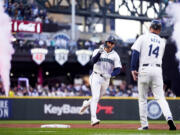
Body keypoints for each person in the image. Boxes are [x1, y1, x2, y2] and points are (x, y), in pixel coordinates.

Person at [131, 20, 176, 130]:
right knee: (161, 98)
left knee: (142, 99)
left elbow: (135, 53)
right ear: (159, 30)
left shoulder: (143, 37)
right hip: (157, 70)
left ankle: (144, 125)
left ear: (150, 27)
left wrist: (133, 68)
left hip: (145, 69)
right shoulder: (162, 42)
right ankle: (169, 118)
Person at [79, 35, 122, 126]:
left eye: (112, 43)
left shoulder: (115, 55)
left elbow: (118, 69)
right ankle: (93, 119)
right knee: (95, 96)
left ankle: (86, 104)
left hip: (106, 79)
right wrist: (99, 52)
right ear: (106, 42)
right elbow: (92, 62)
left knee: (97, 98)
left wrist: (111, 75)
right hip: (96, 76)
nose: (109, 44)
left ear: (114, 45)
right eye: (108, 42)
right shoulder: (97, 50)